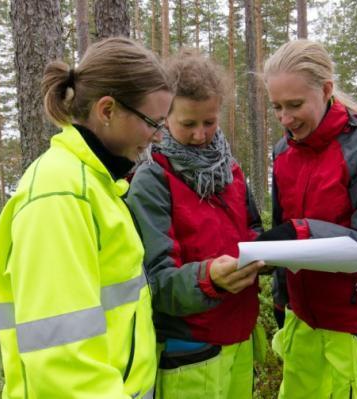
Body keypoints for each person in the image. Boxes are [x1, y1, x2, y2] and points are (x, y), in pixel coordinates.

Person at [0, 37, 174, 399]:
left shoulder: (99, 185)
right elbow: (63, 361)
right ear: (107, 111)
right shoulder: (60, 195)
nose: (157, 137)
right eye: (153, 122)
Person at [259, 39, 357, 398]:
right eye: (277, 107)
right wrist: (280, 296)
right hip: (304, 322)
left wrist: (302, 233)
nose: (285, 118)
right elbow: (284, 237)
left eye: (295, 105)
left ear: (327, 90)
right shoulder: (283, 152)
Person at [126, 49, 265, 399]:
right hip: (188, 349)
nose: (201, 135)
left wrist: (273, 254)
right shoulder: (152, 180)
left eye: (210, 122)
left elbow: (253, 232)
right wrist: (207, 279)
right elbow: (154, 281)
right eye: (188, 124)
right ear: (164, 117)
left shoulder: (230, 170)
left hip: (240, 338)